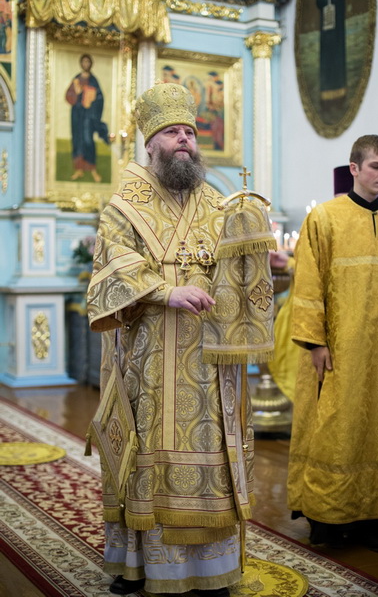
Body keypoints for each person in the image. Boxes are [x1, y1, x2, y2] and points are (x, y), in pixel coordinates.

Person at [86, 83, 268, 596]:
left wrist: (257, 251)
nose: (184, 139)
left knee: (212, 452)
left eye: (189, 131)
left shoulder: (215, 201)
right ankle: (140, 567)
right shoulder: (124, 205)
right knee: (148, 449)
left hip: (210, 359)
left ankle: (210, 571)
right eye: (172, 132)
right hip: (150, 353)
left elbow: (235, 265)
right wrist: (167, 291)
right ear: (151, 143)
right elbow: (113, 266)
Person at [287, 134, 378, 552]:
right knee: (335, 428)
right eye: (376, 166)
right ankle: (328, 521)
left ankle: (373, 522)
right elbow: (308, 282)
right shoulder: (325, 218)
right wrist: (315, 342)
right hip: (339, 347)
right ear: (354, 168)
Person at [65, 53, 109, 183]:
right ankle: (79, 169)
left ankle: (93, 169)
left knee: (88, 140)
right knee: (77, 140)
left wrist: (92, 101)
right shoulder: (76, 79)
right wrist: (77, 94)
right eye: (83, 62)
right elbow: (69, 95)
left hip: (89, 116)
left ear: (91, 64)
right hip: (77, 115)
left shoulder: (93, 80)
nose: (85, 64)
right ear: (81, 64)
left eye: (87, 62)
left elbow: (100, 98)